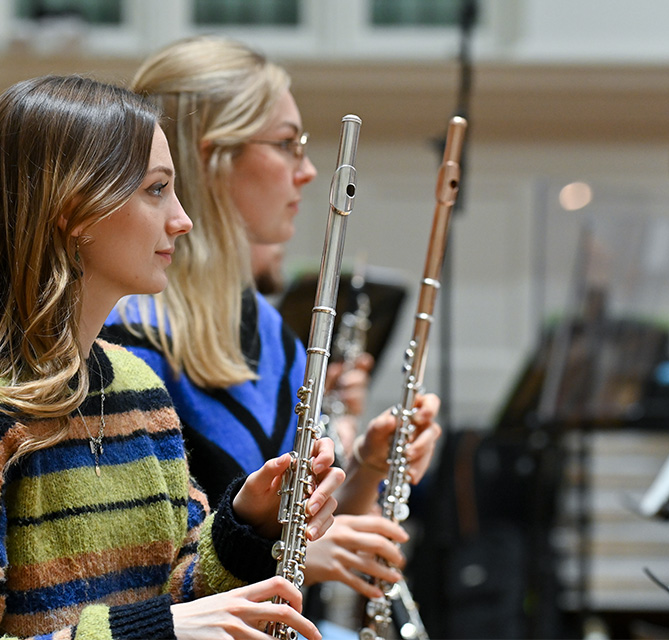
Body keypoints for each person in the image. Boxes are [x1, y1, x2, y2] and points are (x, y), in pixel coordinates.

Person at [0, 74, 344, 640]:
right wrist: (150, 633)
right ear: (75, 211)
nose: (182, 218)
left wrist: (244, 525)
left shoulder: (135, 385)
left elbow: (180, 595)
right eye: (156, 190)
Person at [102, 35, 442, 606]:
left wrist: (364, 469)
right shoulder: (127, 338)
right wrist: (297, 558)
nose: (308, 172)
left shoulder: (266, 329)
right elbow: (131, 586)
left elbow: (307, 537)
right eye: (287, 145)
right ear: (212, 160)